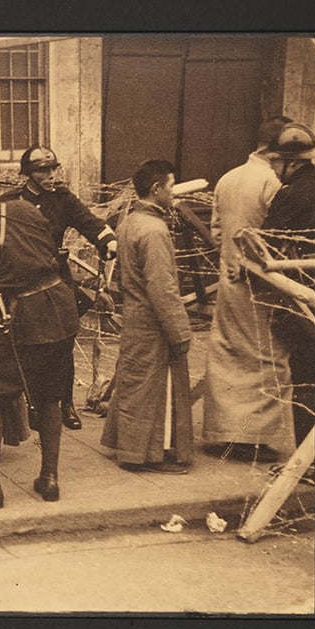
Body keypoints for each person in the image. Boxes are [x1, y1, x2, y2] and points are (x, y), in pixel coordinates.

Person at [0, 154, 76, 508]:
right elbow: (50, 252)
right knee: (50, 395)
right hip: (62, 310)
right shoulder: (27, 211)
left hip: (22, 317)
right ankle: (49, 480)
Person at [0, 144, 118, 431]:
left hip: (57, 281)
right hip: (24, 284)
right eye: (43, 171)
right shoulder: (11, 201)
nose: (51, 175)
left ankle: (66, 404)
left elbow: (89, 222)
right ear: (28, 173)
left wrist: (108, 241)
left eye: (54, 169)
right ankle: (32, 406)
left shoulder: (62, 198)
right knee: (29, 347)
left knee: (63, 344)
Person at [202, 116, 295, 460]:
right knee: (267, 356)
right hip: (262, 282)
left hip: (229, 278)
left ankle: (224, 431)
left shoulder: (228, 178)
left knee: (228, 352)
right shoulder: (274, 181)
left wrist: (229, 256)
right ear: (277, 148)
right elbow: (277, 236)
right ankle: (254, 438)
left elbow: (215, 232)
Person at [101, 159, 193, 473]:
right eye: (171, 186)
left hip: (134, 315)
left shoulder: (129, 222)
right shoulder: (154, 230)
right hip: (152, 319)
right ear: (156, 189)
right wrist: (180, 331)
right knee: (152, 388)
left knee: (134, 382)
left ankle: (127, 445)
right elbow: (162, 287)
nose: (173, 193)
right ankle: (145, 455)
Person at [260, 122, 315, 451]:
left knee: (306, 373)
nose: (274, 169)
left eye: (276, 163)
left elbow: (267, 238)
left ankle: (307, 461)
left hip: (305, 288)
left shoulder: (291, 193)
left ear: (291, 163)